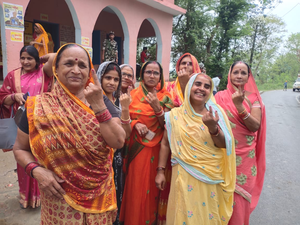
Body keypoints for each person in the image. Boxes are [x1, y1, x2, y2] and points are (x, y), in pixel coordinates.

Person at [13, 43, 126, 224]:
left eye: (82, 65)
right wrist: (37, 171)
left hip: (99, 199)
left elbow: (118, 141)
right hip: (58, 200)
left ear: (90, 71)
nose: (76, 70)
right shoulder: (37, 107)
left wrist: (98, 106)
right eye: (68, 64)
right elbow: (19, 148)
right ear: (56, 68)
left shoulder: (101, 101)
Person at [155, 73, 236, 224]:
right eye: (197, 84)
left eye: (207, 86)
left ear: (211, 91)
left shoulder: (216, 113)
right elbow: (165, 143)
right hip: (182, 177)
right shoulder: (175, 114)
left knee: (205, 216)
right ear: (189, 87)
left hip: (209, 178)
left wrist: (213, 127)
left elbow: (224, 144)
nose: (202, 89)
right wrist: (160, 171)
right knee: (183, 213)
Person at [0, 45, 54, 208]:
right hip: (21, 125)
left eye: (30, 58)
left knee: (42, 160)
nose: (25, 61)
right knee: (23, 159)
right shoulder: (12, 75)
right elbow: (2, 97)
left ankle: (41, 196)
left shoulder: (44, 73)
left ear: (37, 59)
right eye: (22, 58)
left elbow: (56, 58)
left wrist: (43, 58)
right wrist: (14, 96)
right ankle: (26, 197)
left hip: (43, 125)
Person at [120, 61, 173, 225]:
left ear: (160, 76)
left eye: (156, 73)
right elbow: (123, 118)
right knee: (137, 189)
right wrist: (135, 124)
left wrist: (158, 108)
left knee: (153, 190)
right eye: (148, 72)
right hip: (137, 149)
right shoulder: (132, 95)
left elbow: (169, 126)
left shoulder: (166, 97)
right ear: (142, 74)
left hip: (158, 150)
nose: (152, 75)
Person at [215, 61, 266, 225]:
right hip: (221, 155)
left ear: (248, 77)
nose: (239, 75)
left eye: (243, 73)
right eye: (235, 72)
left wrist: (239, 106)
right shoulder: (219, 96)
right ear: (229, 75)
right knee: (218, 200)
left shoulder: (253, 98)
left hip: (244, 160)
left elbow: (254, 126)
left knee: (239, 202)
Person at [97, 61, 132, 225]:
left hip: (116, 158)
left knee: (115, 194)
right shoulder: (94, 99)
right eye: (108, 78)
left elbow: (127, 134)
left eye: (115, 79)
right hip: (98, 157)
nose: (112, 82)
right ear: (100, 78)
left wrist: (125, 109)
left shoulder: (120, 100)